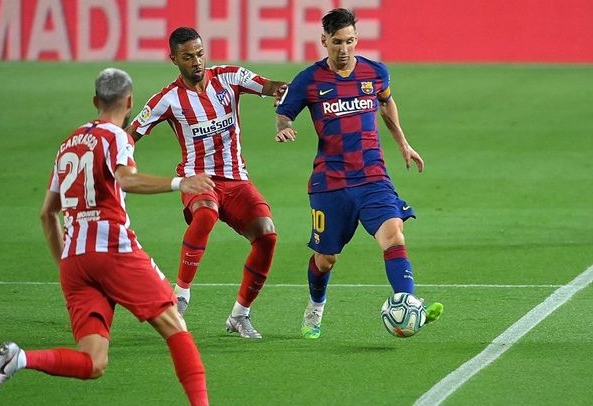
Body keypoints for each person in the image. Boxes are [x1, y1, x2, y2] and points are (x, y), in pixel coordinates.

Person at [0, 68, 214, 405]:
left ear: (95, 101)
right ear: (130, 102)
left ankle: (19, 359)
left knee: (93, 362)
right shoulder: (116, 136)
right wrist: (181, 182)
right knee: (175, 325)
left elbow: (47, 213)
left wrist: (65, 263)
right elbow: (126, 179)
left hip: (75, 261)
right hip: (113, 250)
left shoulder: (68, 144)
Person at [274, 8, 444, 339]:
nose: (344, 49)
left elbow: (386, 103)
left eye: (350, 41)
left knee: (394, 234)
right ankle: (315, 306)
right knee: (326, 259)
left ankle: (408, 302)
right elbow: (285, 113)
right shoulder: (309, 80)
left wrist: (403, 143)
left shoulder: (375, 72)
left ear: (357, 39)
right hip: (331, 182)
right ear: (324, 40)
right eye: (337, 42)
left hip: (373, 176)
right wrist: (283, 127)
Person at [126, 27, 288, 339]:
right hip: (198, 180)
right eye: (187, 57)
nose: (197, 61)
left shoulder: (229, 77)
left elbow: (272, 86)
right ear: (174, 59)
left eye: (200, 54)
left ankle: (240, 315)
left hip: (236, 180)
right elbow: (129, 136)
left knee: (267, 235)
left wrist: (283, 97)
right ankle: (181, 295)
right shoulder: (167, 99)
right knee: (205, 213)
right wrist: (117, 163)